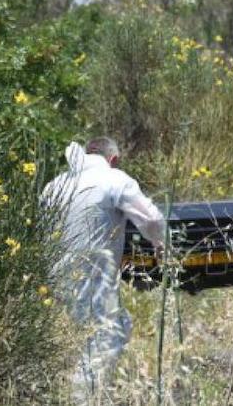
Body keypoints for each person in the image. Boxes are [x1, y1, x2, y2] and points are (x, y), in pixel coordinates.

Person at [42, 138, 165, 403]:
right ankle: (84, 399)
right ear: (113, 159)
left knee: (70, 345)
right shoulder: (114, 179)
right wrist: (159, 243)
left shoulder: (54, 185)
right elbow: (152, 219)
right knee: (104, 338)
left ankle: (65, 395)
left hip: (52, 280)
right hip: (91, 279)